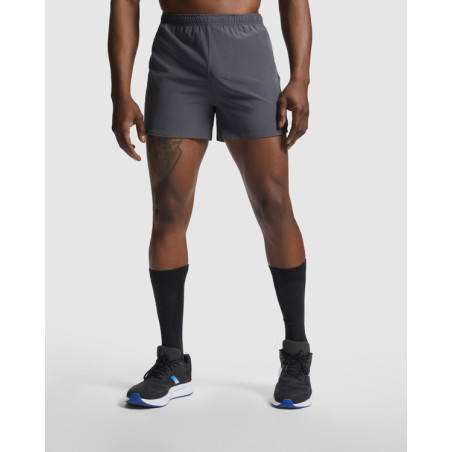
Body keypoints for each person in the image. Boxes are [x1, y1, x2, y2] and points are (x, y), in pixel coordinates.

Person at [108, 0, 313, 409]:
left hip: (246, 50)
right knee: (167, 209)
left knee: (273, 204)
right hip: (176, 53)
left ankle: (296, 354)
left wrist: (300, 78)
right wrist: (120, 92)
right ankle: (172, 362)